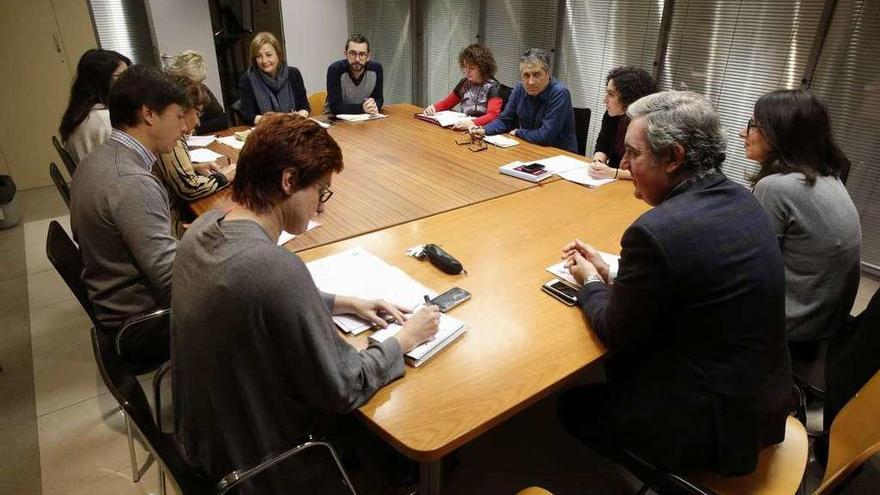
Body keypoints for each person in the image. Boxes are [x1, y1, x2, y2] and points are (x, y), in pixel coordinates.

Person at [172, 113, 440, 494]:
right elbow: (344, 386)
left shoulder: (201, 230)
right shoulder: (277, 270)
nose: (321, 208)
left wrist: (343, 302)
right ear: (289, 181)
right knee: (402, 430)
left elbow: (250, 295)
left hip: (200, 447)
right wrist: (404, 340)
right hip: (259, 467)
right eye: (321, 191)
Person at [556, 91, 791, 478]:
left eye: (633, 153)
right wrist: (614, 273)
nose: (624, 163)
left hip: (712, 428)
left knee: (572, 405)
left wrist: (588, 283)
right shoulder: (743, 199)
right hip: (765, 401)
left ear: (674, 157)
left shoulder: (654, 233)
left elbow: (615, 331)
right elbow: (696, 279)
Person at [70, 65, 188, 366]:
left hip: (114, 308)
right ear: (149, 114)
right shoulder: (131, 181)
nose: (185, 127)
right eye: (178, 116)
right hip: (142, 326)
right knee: (253, 302)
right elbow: (172, 282)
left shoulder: (97, 159)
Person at [743, 89, 861, 351]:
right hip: (824, 322)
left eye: (753, 125)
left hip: (792, 329)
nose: (744, 132)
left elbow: (751, 267)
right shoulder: (827, 176)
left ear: (779, 133)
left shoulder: (776, 187)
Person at [154, 76, 233, 238]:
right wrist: (224, 177)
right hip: (172, 230)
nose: (198, 122)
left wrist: (195, 167)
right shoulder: (171, 138)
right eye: (197, 114)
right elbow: (189, 187)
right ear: (182, 110)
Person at [470, 48, 576, 153]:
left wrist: (518, 132)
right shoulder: (519, 89)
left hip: (559, 154)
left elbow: (545, 136)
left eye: (537, 75)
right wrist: (484, 130)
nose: (530, 82)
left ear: (547, 74)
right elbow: (505, 120)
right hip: (530, 148)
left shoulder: (559, 92)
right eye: (526, 75)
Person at [59, 49, 131, 163]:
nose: (129, 82)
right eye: (121, 76)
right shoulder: (105, 120)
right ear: (101, 80)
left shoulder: (81, 113)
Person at [588, 66, 656, 180]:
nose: (604, 100)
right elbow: (602, 145)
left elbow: (650, 171)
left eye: (611, 94)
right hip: (611, 177)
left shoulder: (650, 124)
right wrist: (597, 163)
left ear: (629, 98)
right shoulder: (611, 115)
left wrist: (613, 173)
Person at [423, 43, 503, 130]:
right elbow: (446, 104)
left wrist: (472, 123)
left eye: (472, 68)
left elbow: (493, 115)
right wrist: (433, 108)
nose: (467, 71)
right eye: (465, 67)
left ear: (483, 68)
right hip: (463, 127)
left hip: (482, 130)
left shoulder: (493, 87)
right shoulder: (464, 83)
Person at [238, 32, 309, 125]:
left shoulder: (293, 74)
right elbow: (247, 116)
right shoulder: (247, 79)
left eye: (268, 55)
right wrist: (273, 120)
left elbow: (305, 107)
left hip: (293, 128)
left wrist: (299, 116)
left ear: (278, 54)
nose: (264, 61)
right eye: (258, 56)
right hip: (265, 132)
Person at [166, 50, 228, 134]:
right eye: (187, 82)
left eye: (198, 82)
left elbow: (222, 119)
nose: (193, 88)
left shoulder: (200, 91)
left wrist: (194, 129)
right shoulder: (168, 94)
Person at [325, 34, 383, 115]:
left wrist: (373, 106)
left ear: (368, 56)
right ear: (346, 54)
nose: (357, 59)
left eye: (362, 54)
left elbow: (379, 99)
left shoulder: (376, 69)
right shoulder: (335, 69)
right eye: (353, 53)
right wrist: (362, 108)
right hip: (335, 119)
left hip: (364, 117)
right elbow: (335, 107)